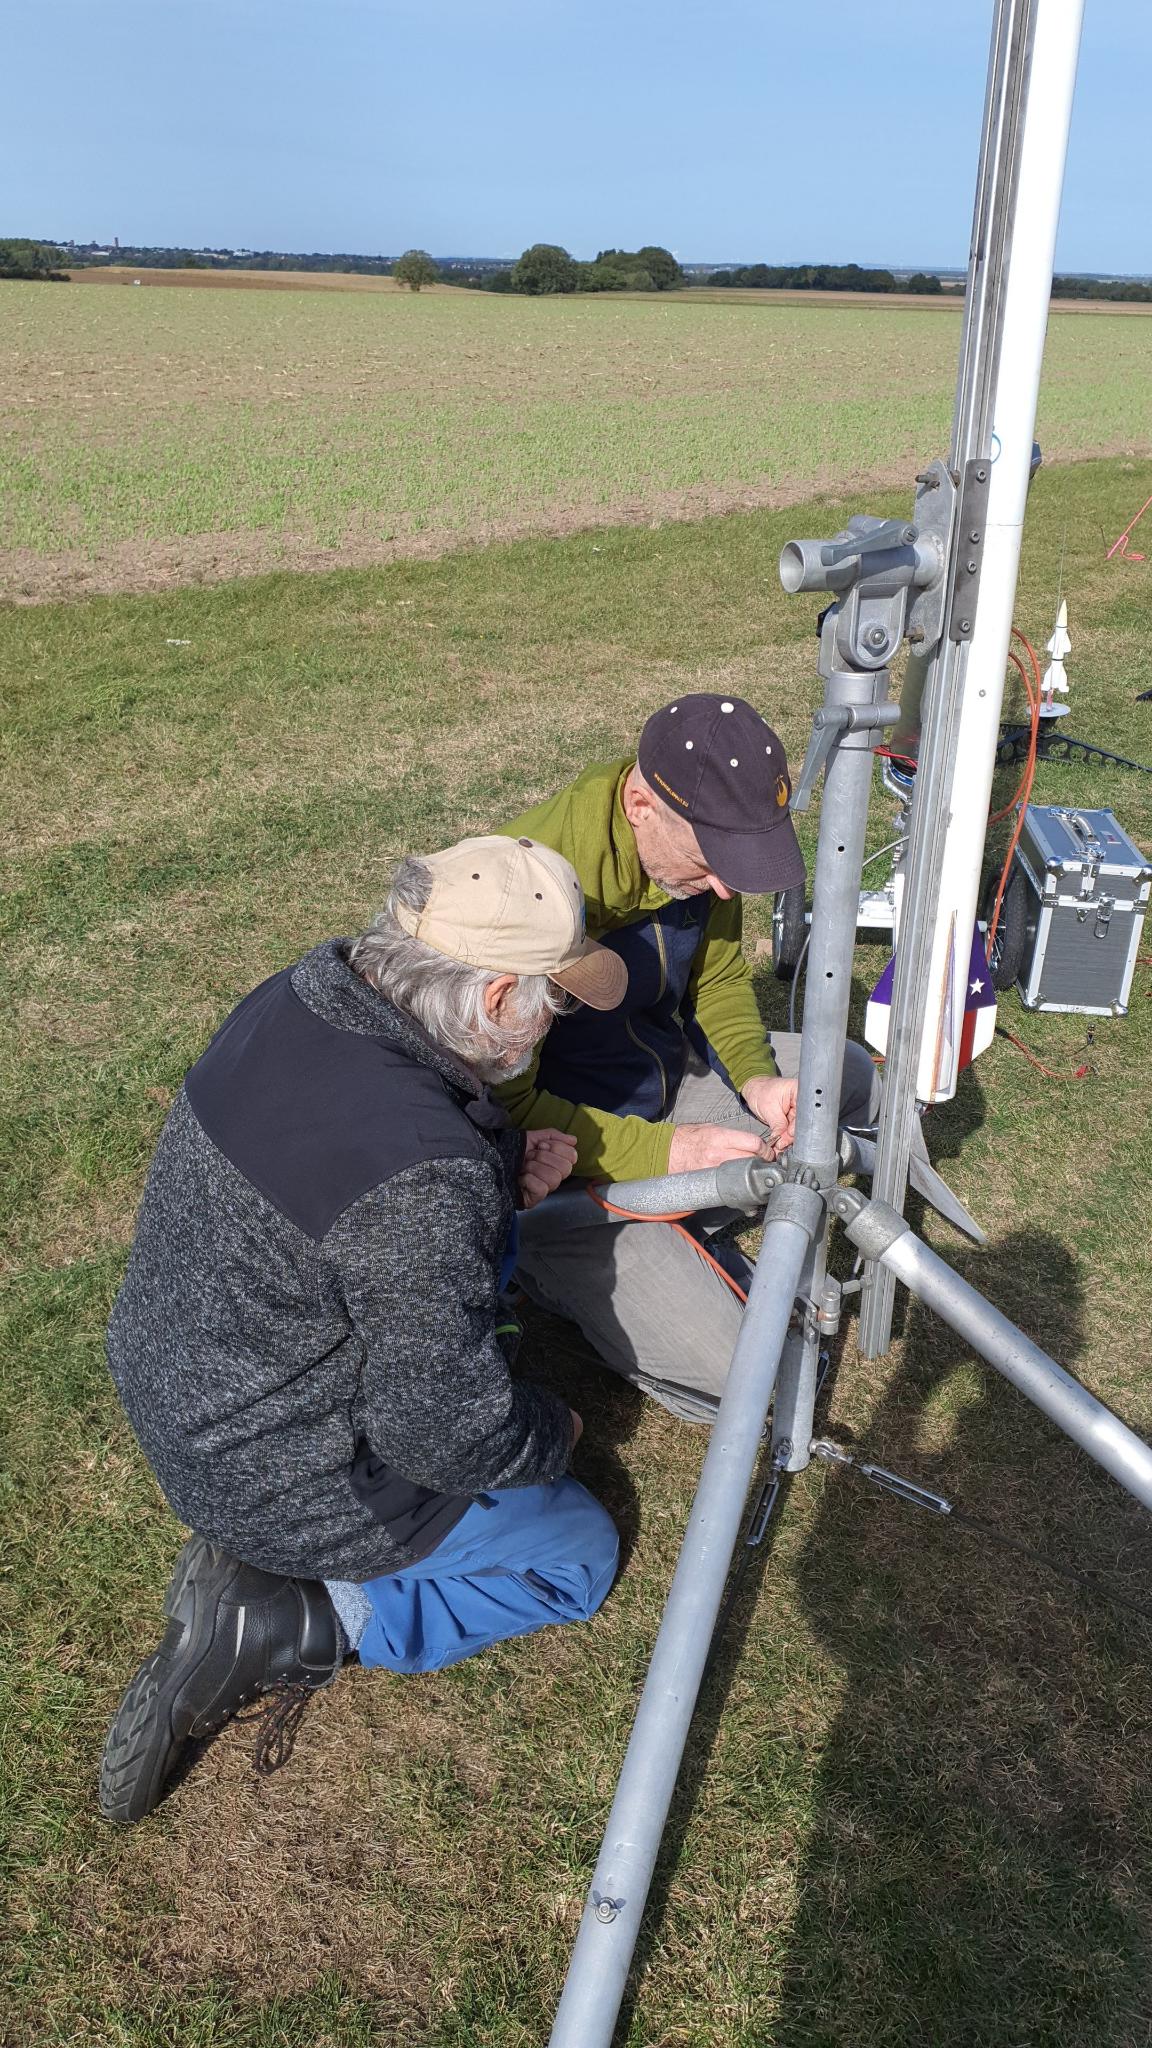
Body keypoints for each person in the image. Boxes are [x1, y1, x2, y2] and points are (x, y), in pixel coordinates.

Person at [99, 835, 626, 1825]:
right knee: (577, 1555)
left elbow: (353, 1194)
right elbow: (443, 1433)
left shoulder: (300, 996)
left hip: (175, 1384)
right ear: (497, 998)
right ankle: (304, 1613)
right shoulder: (422, 1174)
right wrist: (552, 1432)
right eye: (552, 1000)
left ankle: (269, 1554)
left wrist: (495, 1177)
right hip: (276, 1470)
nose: (551, 1022)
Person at [496, 692, 891, 1421]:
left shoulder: (697, 841)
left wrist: (757, 1078)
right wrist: (674, 1153)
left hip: (664, 1086)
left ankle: (686, 1216)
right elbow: (508, 1113)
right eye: (710, 864)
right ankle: (547, 1275)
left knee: (846, 1076)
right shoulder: (527, 898)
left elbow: (720, 978)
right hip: (557, 1164)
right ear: (640, 805)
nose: (724, 887)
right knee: (753, 1377)